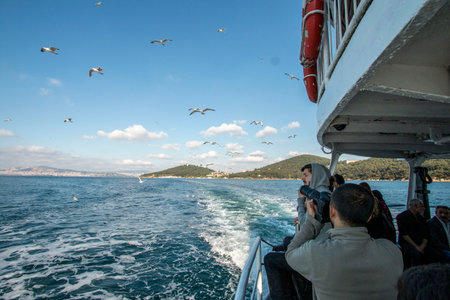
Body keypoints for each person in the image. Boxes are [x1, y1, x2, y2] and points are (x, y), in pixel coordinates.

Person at [285, 183, 403, 300]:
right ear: (369, 217)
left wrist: (312, 221)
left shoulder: (316, 252)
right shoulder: (392, 251)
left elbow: (290, 253)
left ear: (332, 211)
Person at [264, 163, 332, 300]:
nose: (302, 178)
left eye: (306, 175)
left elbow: (304, 225)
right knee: (287, 241)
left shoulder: (319, 197)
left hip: (316, 254)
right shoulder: (326, 193)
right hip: (319, 247)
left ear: (316, 176)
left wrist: (301, 201)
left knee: (270, 259)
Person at [396, 198, 429, 268]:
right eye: (421, 206)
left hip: (420, 243)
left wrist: (422, 245)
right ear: (415, 206)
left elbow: (426, 234)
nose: (423, 208)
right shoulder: (402, 217)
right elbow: (404, 235)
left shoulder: (421, 219)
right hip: (407, 243)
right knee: (416, 254)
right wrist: (417, 247)